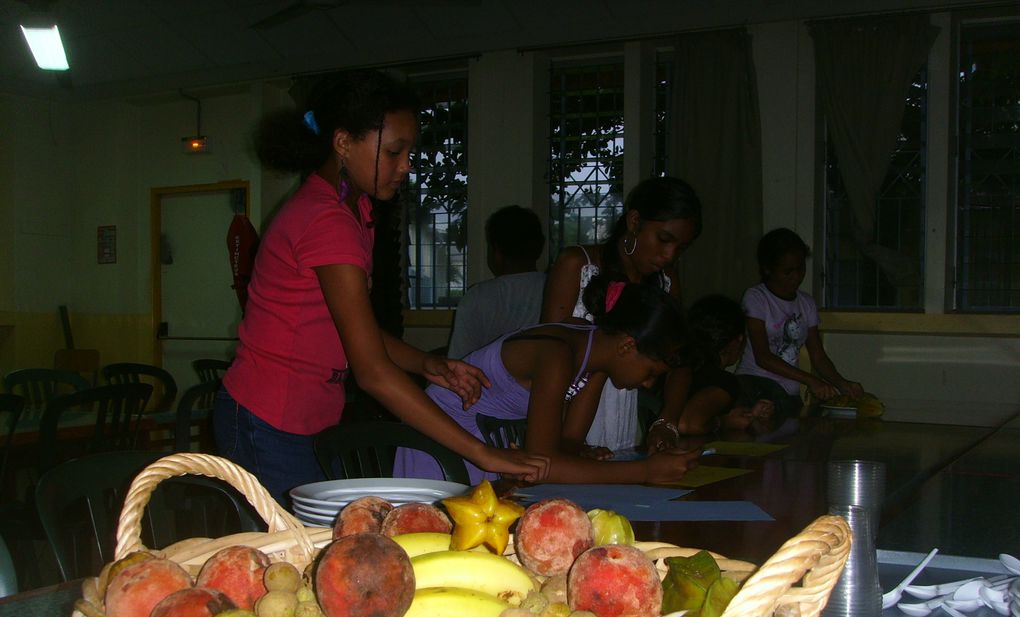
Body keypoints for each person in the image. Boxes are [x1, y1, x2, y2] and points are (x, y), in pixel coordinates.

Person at [214, 69, 548, 506]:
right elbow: (371, 371)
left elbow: (355, 328)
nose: (406, 165)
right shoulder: (327, 220)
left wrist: (428, 364)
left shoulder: (356, 210)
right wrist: (481, 452)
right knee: (291, 552)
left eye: (409, 151)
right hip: (266, 420)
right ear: (343, 143)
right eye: (394, 151)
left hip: (305, 418)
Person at [394, 275, 700, 485]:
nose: (647, 385)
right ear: (627, 346)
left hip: (484, 438)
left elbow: (565, 442)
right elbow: (546, 464)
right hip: (443, 441)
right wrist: (645, 471)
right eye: (650, 373)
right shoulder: (557, 356)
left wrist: (580, 452)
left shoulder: (595, 356)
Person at [541, 176, 702, 455]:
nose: (669, 255)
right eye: (664, 240)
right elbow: (549, 360)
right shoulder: (577, 266)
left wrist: (667, 422)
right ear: (635, 221)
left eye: (681, 249)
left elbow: (680, 359)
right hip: (563, 425)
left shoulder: (666, 280)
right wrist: (567, 443)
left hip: (622, 424)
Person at [735, 227, 864, 420]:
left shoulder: (806, 303)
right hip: (756, 383)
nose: (796, 276)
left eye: (800, 268)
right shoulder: (756, 297)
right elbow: (763, 356)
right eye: (788, 272)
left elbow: (818, 356)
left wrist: (842, 383)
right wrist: (810, 380)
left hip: (788, 391)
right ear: (768, 269)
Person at [656, 294, 775, 441]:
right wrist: (723, 422)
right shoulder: (722, 381)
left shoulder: (679, 364)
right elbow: (686, 424)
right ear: (738, 340)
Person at [447, 205, 547, 359]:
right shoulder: (558, 290)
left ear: (496, 251)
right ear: (540, 246)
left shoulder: (477, 297)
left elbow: (459, 361)